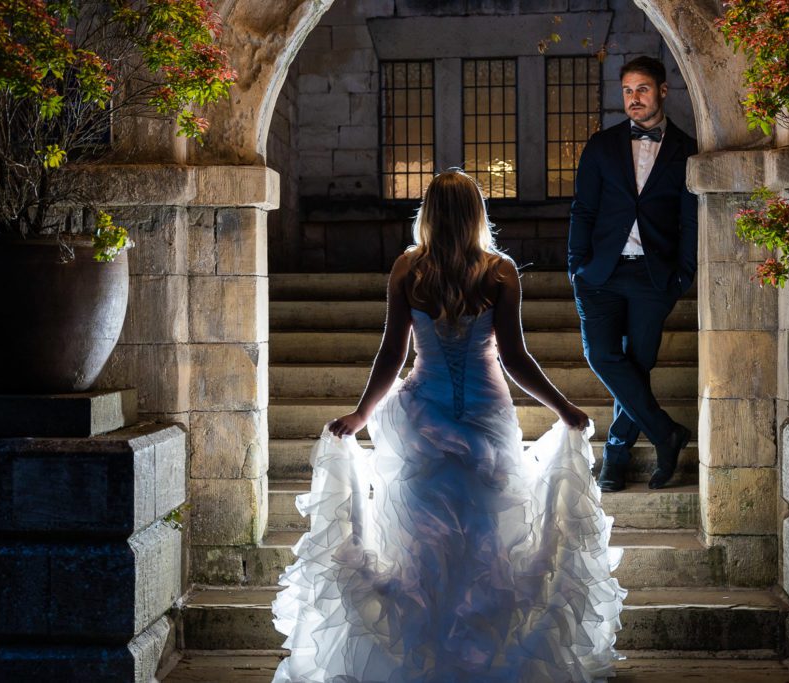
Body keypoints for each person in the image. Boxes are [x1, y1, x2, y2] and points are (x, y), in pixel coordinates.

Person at [271, 169, 626, 682]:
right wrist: (563, 407)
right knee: (486, 536)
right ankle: (479, 651)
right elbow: (515, 358)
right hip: (485, 414)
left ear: (429, 215)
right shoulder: (500, 271)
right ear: (478, 214)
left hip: (423, 416)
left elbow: (393, 354)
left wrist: (362, 414)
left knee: (423, 539)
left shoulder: (407, 269)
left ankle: (425, 653)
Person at [568, 56, 698, 493]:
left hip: (653, 276)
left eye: (642, 89)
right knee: (603, 356)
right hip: (601, 274)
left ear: (663, 90)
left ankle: (616, 459)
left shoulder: (686, 149)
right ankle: (666, 433)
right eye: (627, 90)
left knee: (638, 366)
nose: (634, 99)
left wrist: (684, 273)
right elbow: (583, 209)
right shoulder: (602, 146)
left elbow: (690, 219)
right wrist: (576, 268)